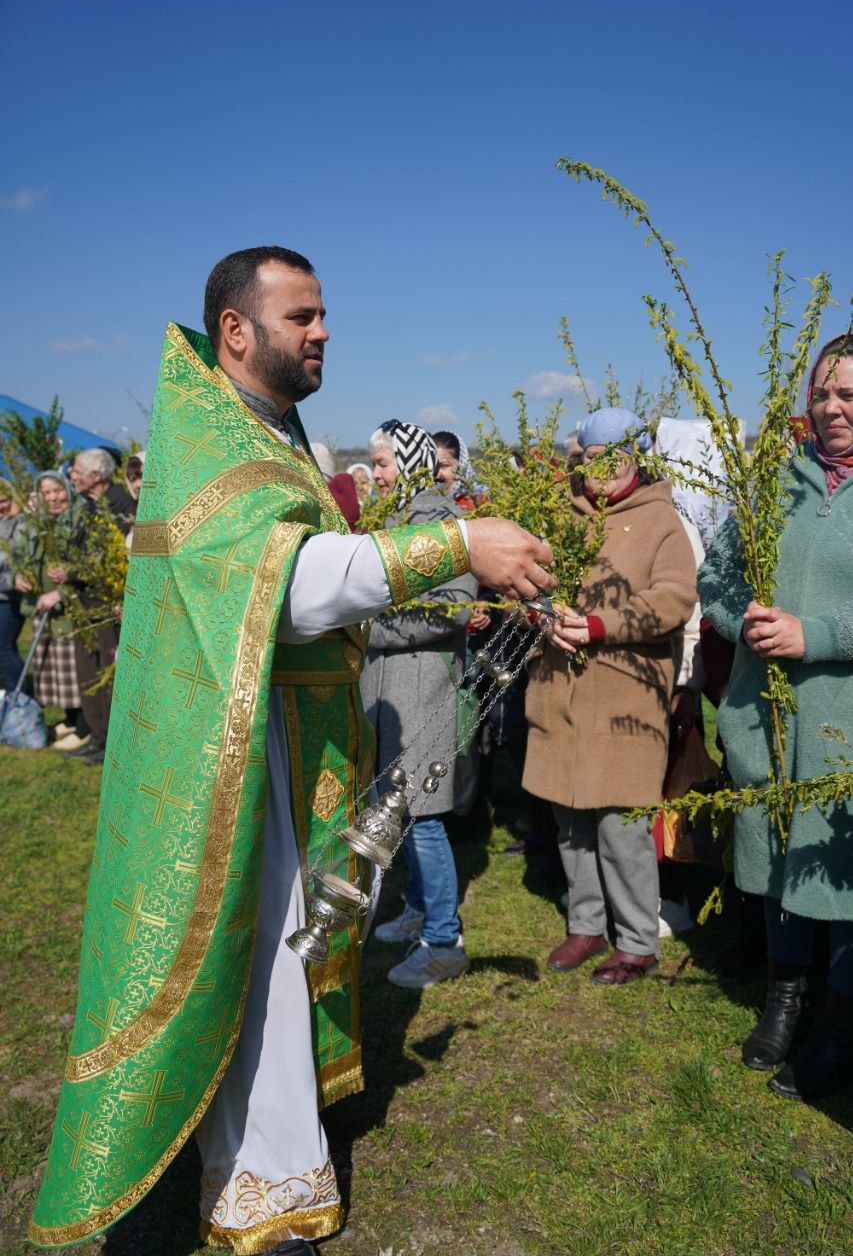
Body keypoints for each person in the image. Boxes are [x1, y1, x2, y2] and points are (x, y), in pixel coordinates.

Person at [30, 246, 554, 1255]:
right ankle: (262, 1196)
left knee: (284, 943)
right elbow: (290, 587)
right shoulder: (214, 447)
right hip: (228, 760)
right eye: (301, 316)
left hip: (275, 739)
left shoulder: (265, 434)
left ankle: (256, 1147)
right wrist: (456, 545)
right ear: (235, 329)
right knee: (260, 952)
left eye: (322, 315)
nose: (322, 332)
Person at [698, 334, 853, 1101]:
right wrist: (746, 621)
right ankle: (784, 996)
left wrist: (812, 635)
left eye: (847, 395)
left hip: (840, 727)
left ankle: (840, 1024)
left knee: (841, 866)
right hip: (765, 717)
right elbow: (716, 575)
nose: (830, 408)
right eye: (820, 393)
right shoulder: (773, 482)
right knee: (774, 855)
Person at [523, 406, 696, 985]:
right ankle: (587, 923)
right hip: (560, 693)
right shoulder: (562, 516)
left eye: (614, 457)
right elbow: (532, 585)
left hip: (625, 701)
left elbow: (673, 598)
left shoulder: (660, 521)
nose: (601, 469)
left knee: (622, 825)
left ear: (638, 460)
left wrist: (600, 625)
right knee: (571, 819)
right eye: (592, 458)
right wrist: (541, 615)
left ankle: (638, 940)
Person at [360, 420, 475, 987]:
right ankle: (417, 909)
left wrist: (370, 627)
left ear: (407, 462)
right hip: (390, 689)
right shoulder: (394, 520)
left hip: (423, 687)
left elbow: (454, 606)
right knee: (398, 812)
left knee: (423, 818)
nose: (376, 474)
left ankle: (445, 940)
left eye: (383, 463)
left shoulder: (438, 522)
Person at [46, 448, 136, 765]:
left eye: (77, 472)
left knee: (107, 677)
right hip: (84, 605)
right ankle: (97, 738)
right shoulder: (88, 506)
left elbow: (114, 557)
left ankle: (112, 742)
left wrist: (71, 573)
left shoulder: (122, 504)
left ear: (97, 476)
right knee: (88, 674)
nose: (72, 477)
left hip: (108, 607)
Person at [13, 470, 84, 740]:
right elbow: (22, 556)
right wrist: (21, 576)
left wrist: (61, 593)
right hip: (43, 606)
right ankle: (70, 719)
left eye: (57, 490)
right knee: (56, 668)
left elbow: (85, 567)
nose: (53, 498)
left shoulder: (78, 520)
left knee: (75, 668)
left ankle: (85, 725)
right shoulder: (37, 525)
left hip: (71, 606)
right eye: (46, 493)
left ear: (68, 489)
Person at [0, 481, 28, 692]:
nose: (0, 506)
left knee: (4, 649)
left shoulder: (20, 524)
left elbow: (16, 561)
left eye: (3, 501)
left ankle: (20, 697)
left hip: (9, 597)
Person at [432, 429, 478, 511]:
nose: (437, 474)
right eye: (432, 466)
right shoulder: (419, 503)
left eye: (444, 466)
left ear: (461, 464)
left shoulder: (478, 502)